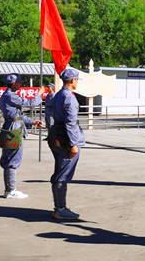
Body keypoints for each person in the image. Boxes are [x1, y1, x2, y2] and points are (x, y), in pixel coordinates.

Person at [0, 73, 44, 199]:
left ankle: (9, 189)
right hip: (14, 130)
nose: (21, 84)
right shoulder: (10, 95)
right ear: (14, 83)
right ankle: (11, 190)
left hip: (13, 126)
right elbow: (30, 103)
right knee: (13, 160)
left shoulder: (10, 95)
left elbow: (19, 115)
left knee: (10, 159)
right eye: (19, 82)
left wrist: (32, 122)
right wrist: (39, 94)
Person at [51, 69, 84, 220]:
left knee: (59, 172)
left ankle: (59, 206)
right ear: (72, 81)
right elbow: (70, 122)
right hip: (66, 139)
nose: (77, 82)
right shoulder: (69, 97)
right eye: (76, 80)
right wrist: (74, 144)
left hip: (58, 135)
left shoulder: (58, 94)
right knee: (63, 175)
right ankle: (61, 209)